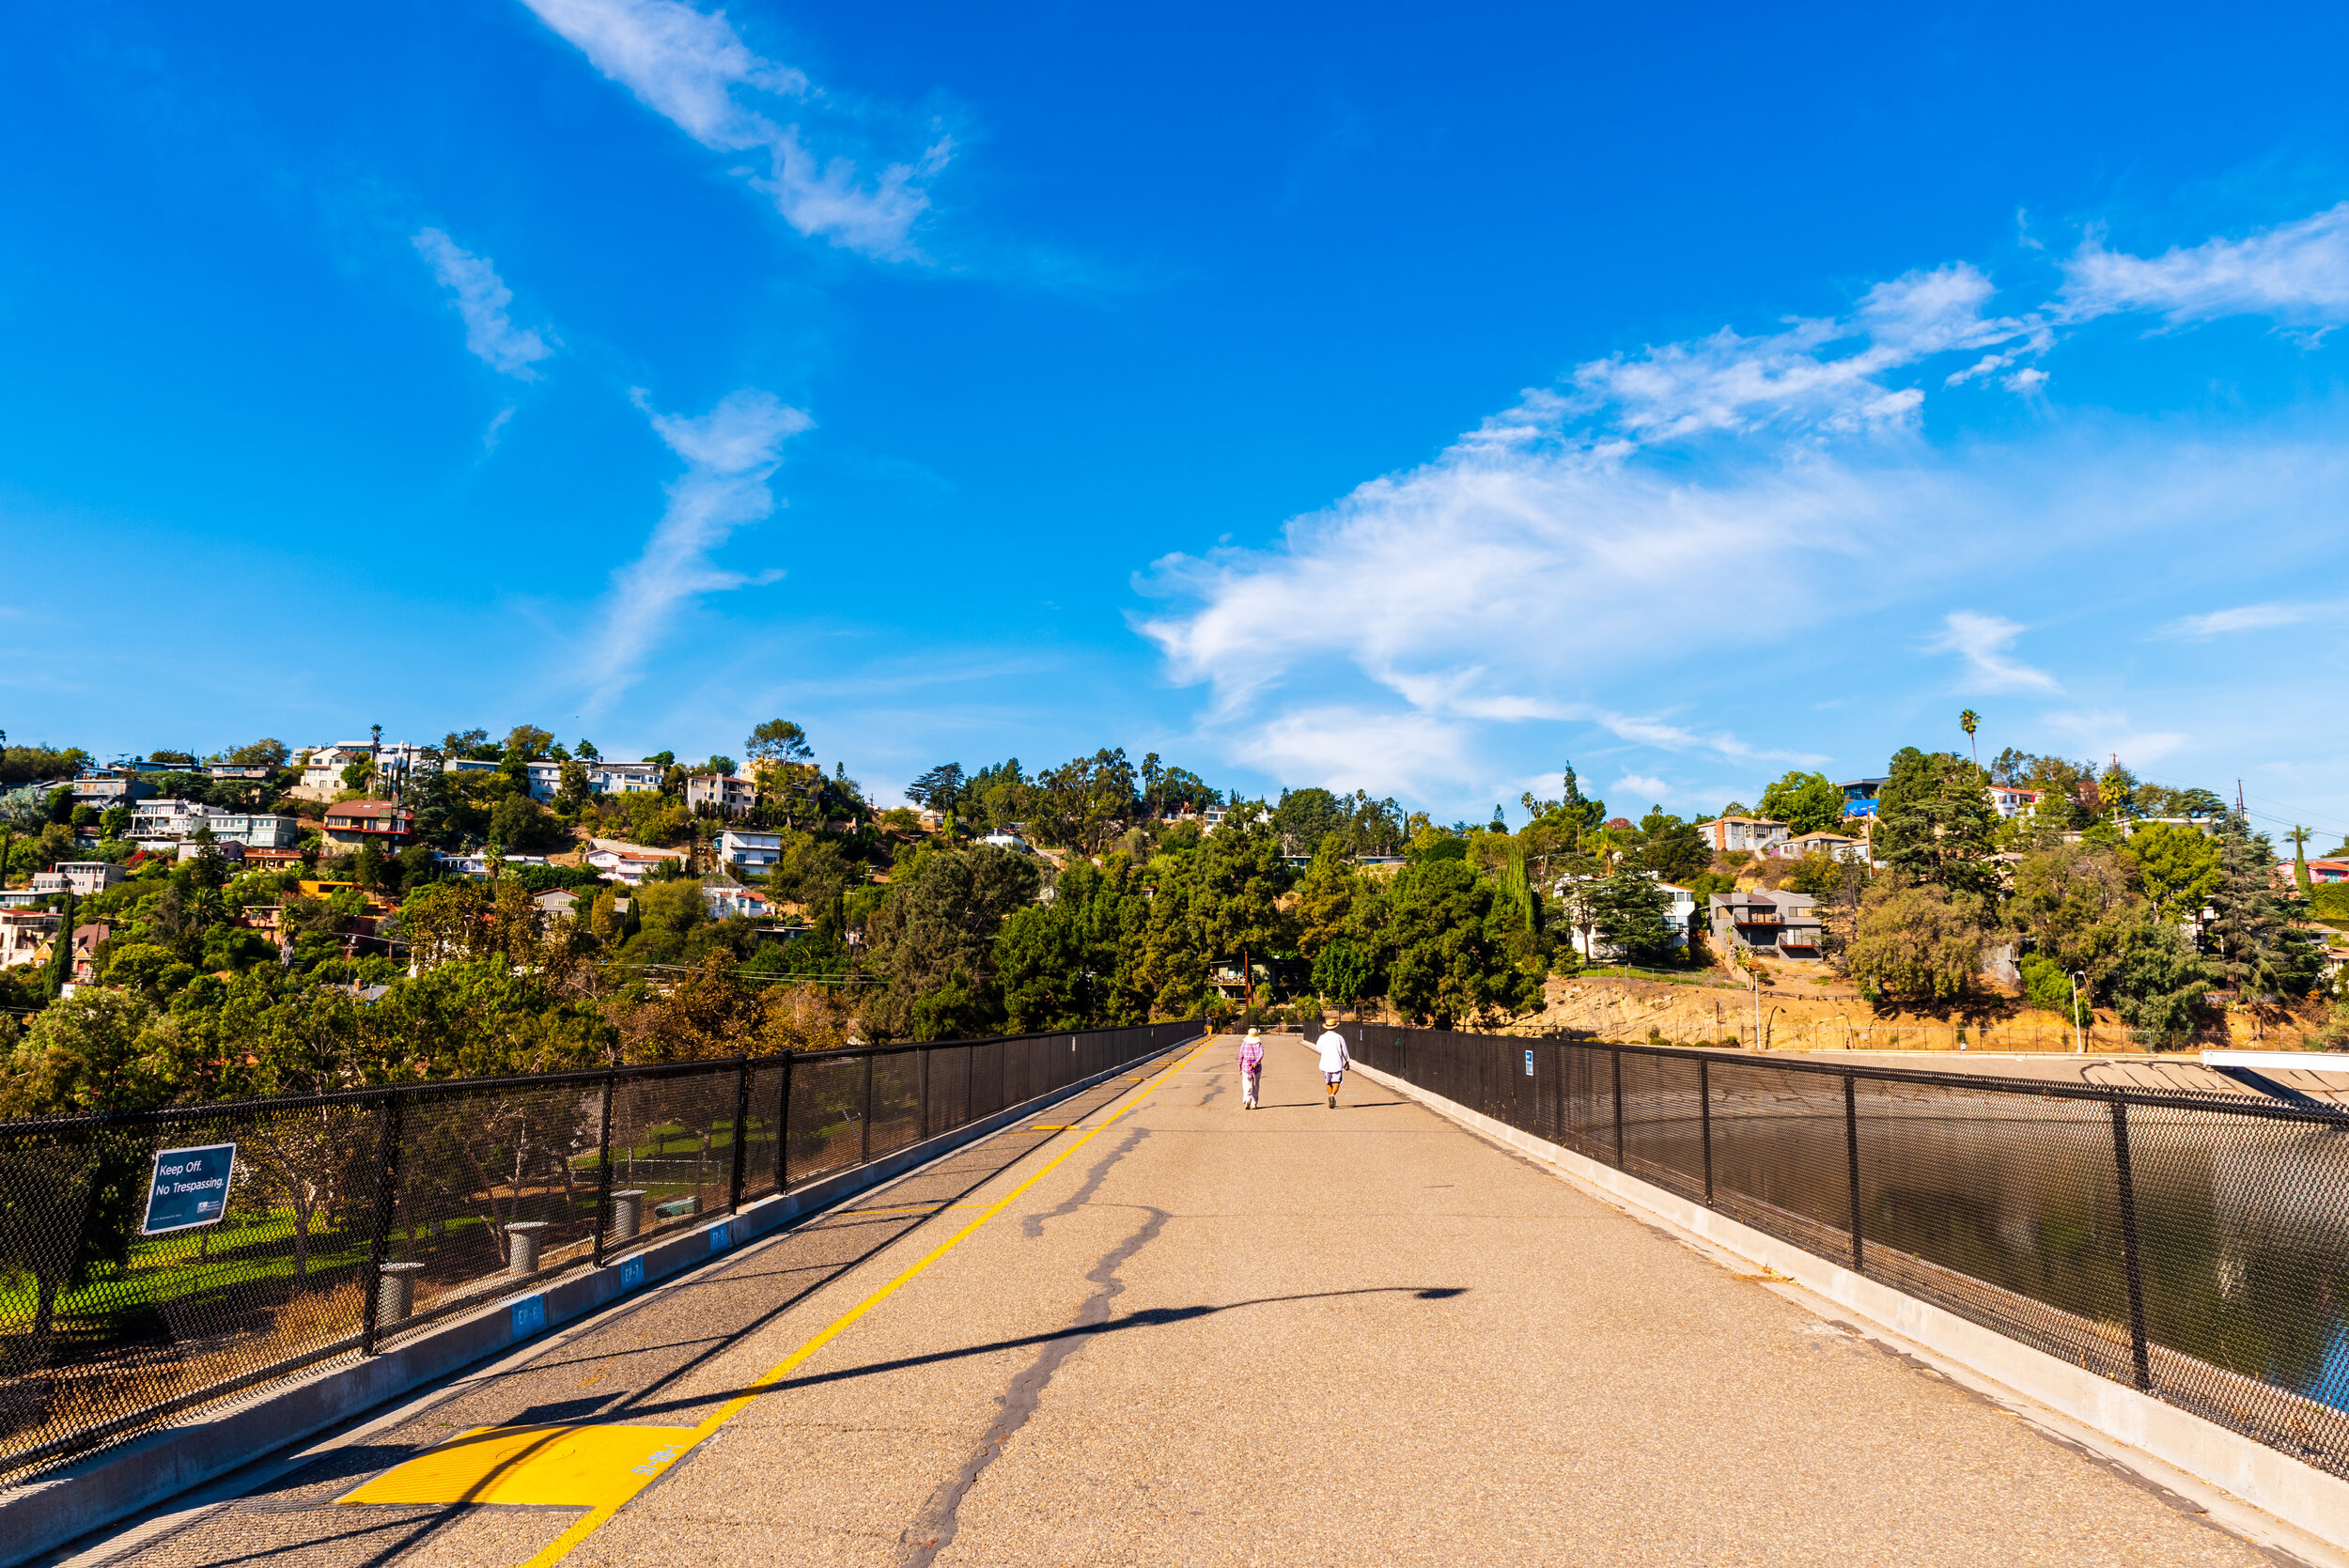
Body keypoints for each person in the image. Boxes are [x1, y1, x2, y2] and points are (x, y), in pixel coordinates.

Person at [1315, 1024, 1350, 1110]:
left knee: (1328, 1082)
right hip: (1337, 1063)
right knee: (1337, 1082)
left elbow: (1318, 1048)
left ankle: (1330, 1096)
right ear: (1335, 1027)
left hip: (1325, 1063)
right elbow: (1344, 1050)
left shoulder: (1322, 1037)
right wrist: (1347, 1060)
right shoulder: (1339, 1037)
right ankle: (1333, 1095)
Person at [1237, 1027, 1264, 1110]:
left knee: (1246, 1084)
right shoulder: (1258, 1044)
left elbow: (1241, 1056)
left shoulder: (1244, 1044)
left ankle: (1247, 1099)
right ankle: (1254, 1103)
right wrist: (1256, 1062)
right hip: (1257, 1067)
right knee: (1255, 1085)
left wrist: (1239, 1066)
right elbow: (1261, 1054)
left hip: (1246, 1066)